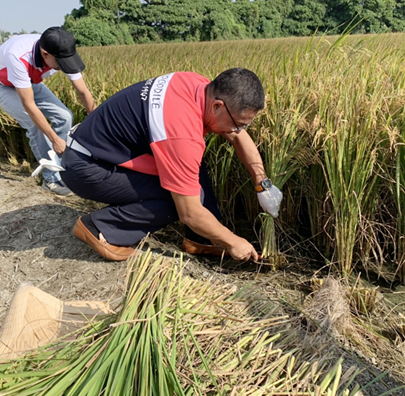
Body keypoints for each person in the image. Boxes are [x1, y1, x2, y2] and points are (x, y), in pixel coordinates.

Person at [60, 68, 283, 262]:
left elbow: (236, 136)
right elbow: (190, 213)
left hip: (99, 149)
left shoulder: (198, 86)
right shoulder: (181, 135)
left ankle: (199, 240)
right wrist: (233, 241)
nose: (236, 131)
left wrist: (262, 183)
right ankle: (101, 229)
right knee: (176, 198)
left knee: (191, 169)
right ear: (218, 106)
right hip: (87, 167)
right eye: (237, 124)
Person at [0, 27, 95, 196]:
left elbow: (83, 91)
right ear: (44, 54)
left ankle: (64, 168)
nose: (64, 67)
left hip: (29, 81)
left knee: (65, 116)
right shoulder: (18, 55)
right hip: (0, 84)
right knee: (33, 125)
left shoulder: (59, 48)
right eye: (61, 63)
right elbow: (29, 105)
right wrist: (54, 139)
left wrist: (96, 120)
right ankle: (50, 178)